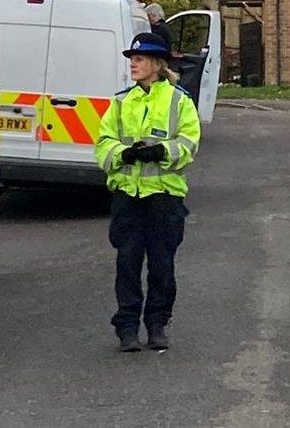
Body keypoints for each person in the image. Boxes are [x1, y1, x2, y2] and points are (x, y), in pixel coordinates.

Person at [95, 32, 201, 353]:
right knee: (127, 264)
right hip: (128, 197)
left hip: (164, 199)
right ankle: (127, 328)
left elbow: (189, 142)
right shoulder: (121, 101)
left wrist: (161, 152)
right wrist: (123, 154)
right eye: (132, 59)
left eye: (139, 59)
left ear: (157, 64)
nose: (133, 64)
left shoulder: (179, 101)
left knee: (161, 266)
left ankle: (157, 325)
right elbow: (103, 144)